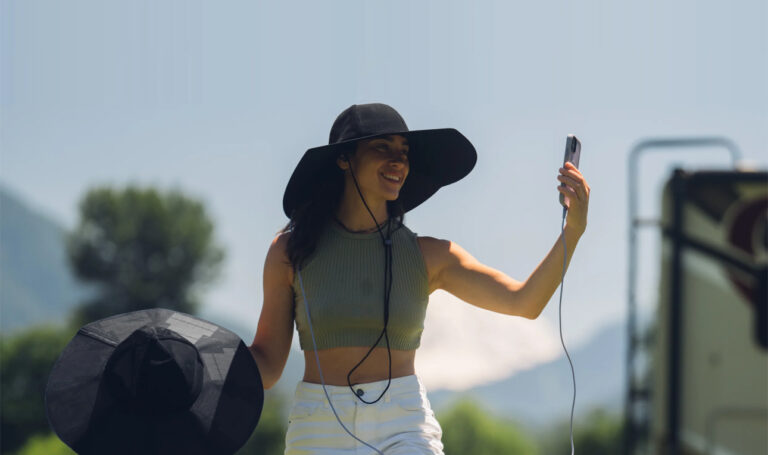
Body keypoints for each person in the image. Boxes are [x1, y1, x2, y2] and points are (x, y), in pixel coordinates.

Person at [248, 103, 590, 454]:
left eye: (404, 152)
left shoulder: (431, 256)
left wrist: (573, 231)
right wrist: (205, 363)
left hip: (403, 425)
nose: (398, 161)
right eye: (382, 147)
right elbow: (268, 365)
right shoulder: (291, 251)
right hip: (318, 428)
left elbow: (524, 302)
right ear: (344, 159)